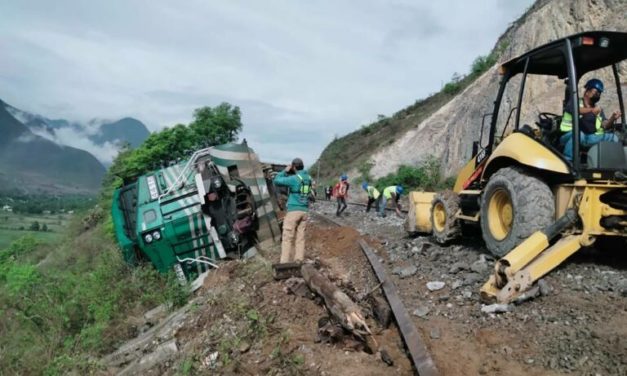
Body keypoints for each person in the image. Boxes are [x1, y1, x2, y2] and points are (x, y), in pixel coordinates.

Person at [559, 78, 621, 161]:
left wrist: (612, 118)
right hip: (568, 136)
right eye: (596, 92)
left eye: (599, 93)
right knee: (579, 135)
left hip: (589, 137)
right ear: (587, 92)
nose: (598, 95)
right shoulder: (574, 102)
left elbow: (604, 125)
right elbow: (576, 110)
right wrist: (591, 111)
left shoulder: (598, 109)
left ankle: (609, 164)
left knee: (613, 137)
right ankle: (568, 161)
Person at [273, 158, 313, 263]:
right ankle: (299, 260)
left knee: (287, 237)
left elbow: (276, 180)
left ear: (294, 166)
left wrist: (285, 171)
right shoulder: (308, 178)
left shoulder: (294, 179)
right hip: (304, 210)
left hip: (294, 211)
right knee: (300, 238)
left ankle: (284, 263)